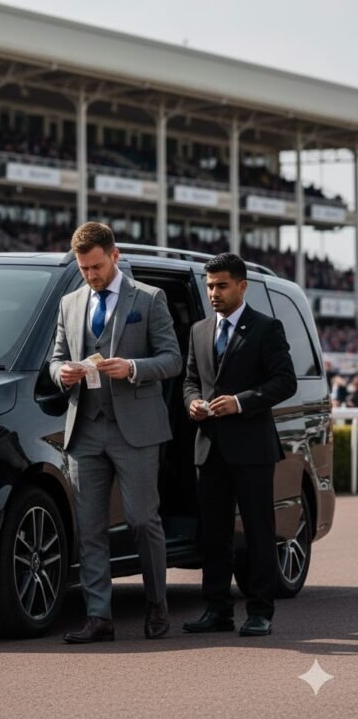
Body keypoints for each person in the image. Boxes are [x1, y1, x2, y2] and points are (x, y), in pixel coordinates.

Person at [50, 222, 182, 643]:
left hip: (136, 430)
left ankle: (157, 604)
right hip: (85, 429)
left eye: (96, 266)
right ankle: (99, 617)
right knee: (90, 528)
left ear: (115, 256)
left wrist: (133, 368)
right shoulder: (69, 303)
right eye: (83, 269)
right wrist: (62, 373)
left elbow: (173, 359)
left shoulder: (149, 298)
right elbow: (54, 358)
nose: (90, 275)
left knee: (142, 520)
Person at [182, 253, 296, 637]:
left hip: (252, 449)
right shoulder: (199, 330)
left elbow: (285, 381)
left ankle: (261, 611)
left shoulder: (266, 328)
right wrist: (192, 403)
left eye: (222, 285)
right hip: (209, 447)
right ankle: (218, 609)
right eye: (209, 286)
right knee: (214, 534)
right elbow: (190, 381)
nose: (213, 293)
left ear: (242, 286)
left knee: (259, 532)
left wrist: (240, 402)